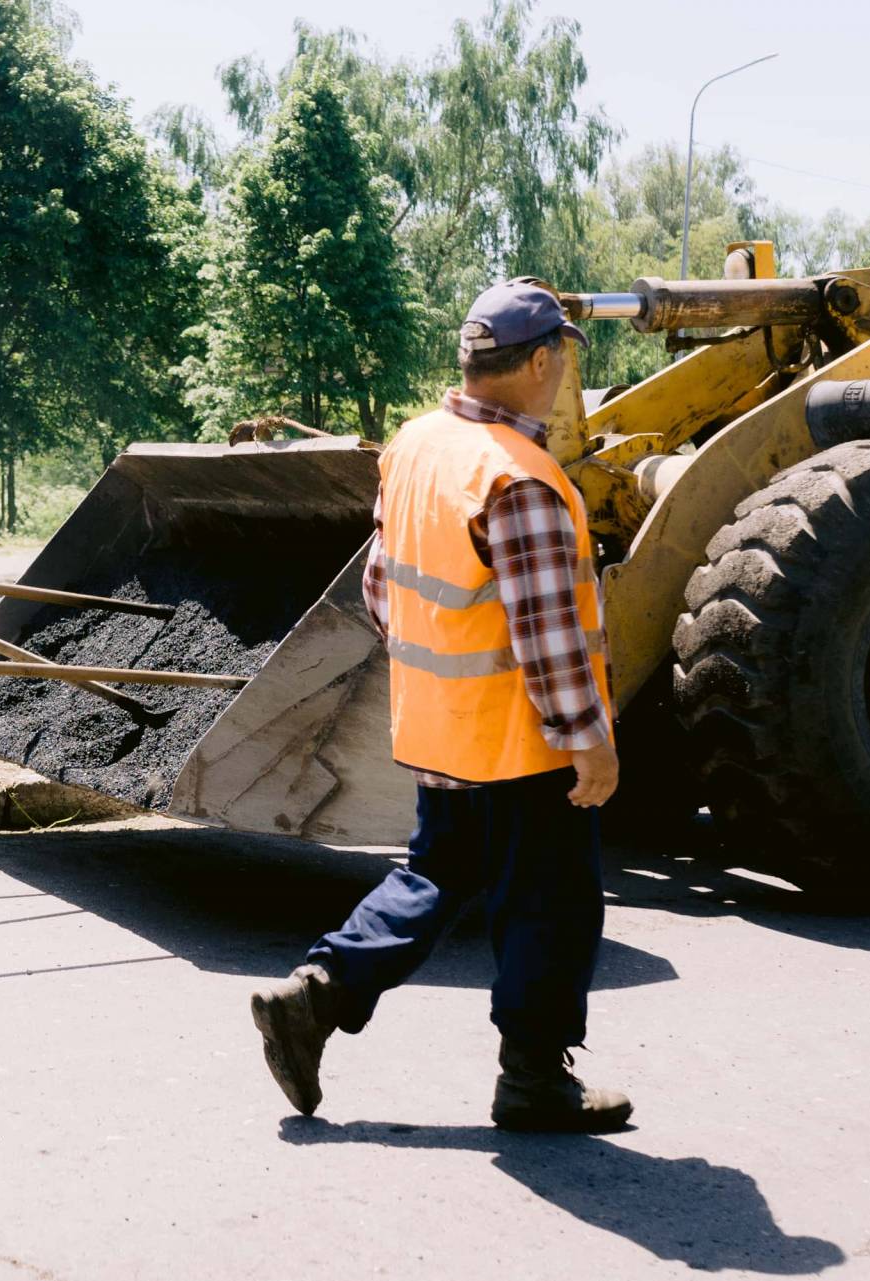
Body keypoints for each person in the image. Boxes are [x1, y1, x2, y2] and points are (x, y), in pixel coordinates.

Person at [249, 280, 632, 1133]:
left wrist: (446, 679)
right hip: (524, 743)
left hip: (441, 727)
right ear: (541, 362)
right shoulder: (521, 478)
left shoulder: (417, 446)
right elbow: (548, 635)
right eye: (562, 357)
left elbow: (381, 588)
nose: (564, 372)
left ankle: (314, 996)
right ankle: (534, 1079)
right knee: (552, 900)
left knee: (436, 873)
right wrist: (589, 740)